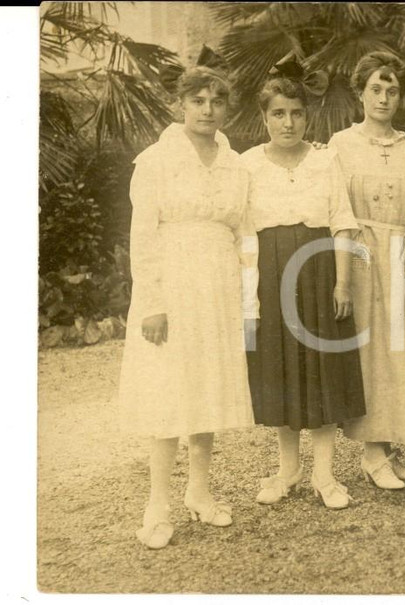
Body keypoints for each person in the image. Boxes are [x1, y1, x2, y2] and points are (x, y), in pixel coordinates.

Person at [118, 60, 257, 549]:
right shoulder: (156, 160)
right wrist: (153, 302)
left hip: (217, 285)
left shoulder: (235, 163)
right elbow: (142, 234)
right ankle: (157, 504)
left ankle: (199, 492)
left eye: (217, 101)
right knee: (167, 391)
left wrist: (249, 302)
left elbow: (245, 234)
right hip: (172, 285)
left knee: (206, 390)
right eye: (198, 100)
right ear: (180, 104)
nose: (208, 109)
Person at [242, 58, 366, 509]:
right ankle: (288, 469)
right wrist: (246, 291)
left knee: (321, 369)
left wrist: (342, 284)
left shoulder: (324, 160)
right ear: (265, 117)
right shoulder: (248, 165)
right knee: (282, 369)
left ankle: (326, 475)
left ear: (306, 115)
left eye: (295, 113)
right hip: (269, 275)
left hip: (317, 271)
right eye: (278, 113)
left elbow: (342, 224)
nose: (288, 122)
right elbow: (240, 231)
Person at [328, 52, 405, 489]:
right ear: (360, 93)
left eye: (392, 90)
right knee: (372, 355)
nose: (384, 97)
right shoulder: (340, 145)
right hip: (359, 258)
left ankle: (388, 448)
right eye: (375, 88)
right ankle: (372, 453)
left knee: (401, 352)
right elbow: (335, 210)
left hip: (403, 257)